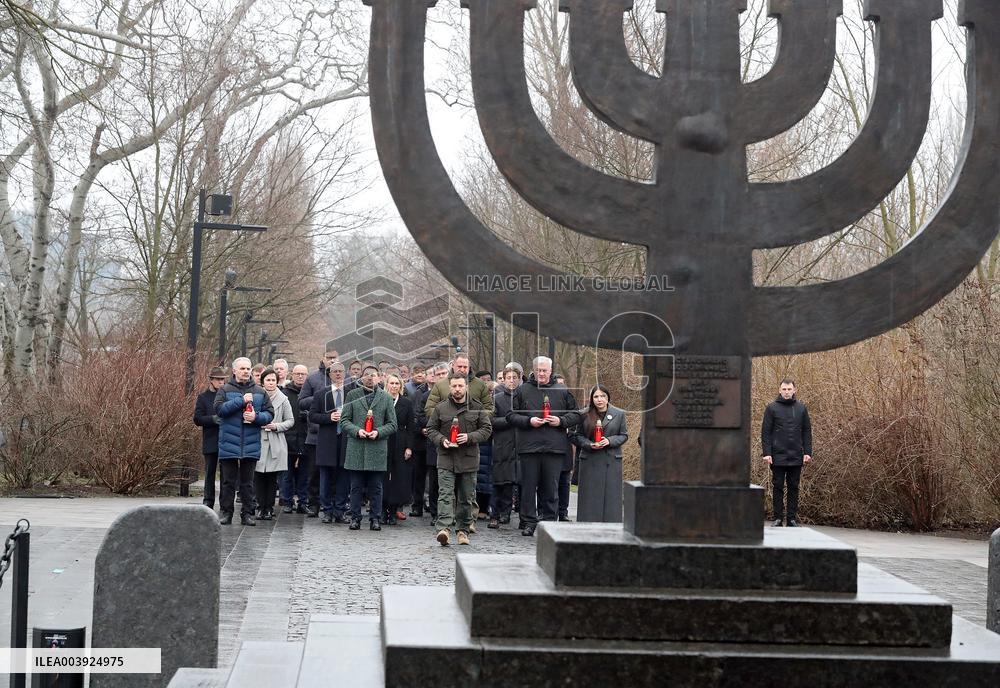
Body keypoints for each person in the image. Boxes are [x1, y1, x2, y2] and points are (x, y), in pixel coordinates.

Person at [507, 356, 581, 536]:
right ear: (533, 370)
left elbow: (577, 415)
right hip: (529, 447)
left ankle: (549, 522)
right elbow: (510, 415)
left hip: (554, 448)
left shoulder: (562, 391)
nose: (541, 373)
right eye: (538, 370)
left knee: (551, 488)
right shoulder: (522, 390)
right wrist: (529, 420)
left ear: (550, 370)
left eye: (544, 370)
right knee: (528, 487)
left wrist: (561, 421)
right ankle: (529, 522)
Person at [426, 373, 492, 546]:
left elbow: (486, 429)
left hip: (468, 459)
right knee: (445, 495)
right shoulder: (441, 408)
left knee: (466, 497)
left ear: (466, 387)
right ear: (450, 387)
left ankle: (463, 531)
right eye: (454, 386)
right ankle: (444, 529)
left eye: (460, 386)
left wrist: (469, 437)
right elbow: (431, 429)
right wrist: (442, 440)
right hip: (446, 457)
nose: (456, 389)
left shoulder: (477, 407)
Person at [215, 357, 274, 526]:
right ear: (234, 371)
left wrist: (256, 417)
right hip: (229, 443)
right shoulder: (224, 390)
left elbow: (269, 414)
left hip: (250, 443)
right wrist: (240, 401)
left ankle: (248, 513)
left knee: (248, 483)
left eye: (248, 369)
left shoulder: (260, 391)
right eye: (242, 369)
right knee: (228, 482)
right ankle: (226, 512)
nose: (246, 371)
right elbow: (219, 410)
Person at [341, 365, 397, 530]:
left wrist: (378, 432)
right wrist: (357, 431)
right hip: (356, 447)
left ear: (379, 378)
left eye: (373, 375)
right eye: (366, 375)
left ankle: (375, 519)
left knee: (376, 487)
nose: (370, 378)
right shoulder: (352, 395)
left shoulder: (386, 397)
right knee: (356, 487)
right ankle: (355, 518)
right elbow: (344, 421)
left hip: (377, 448)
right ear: (361, 378)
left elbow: (393, 424)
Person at [570, 385, 628, 522]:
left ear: (608, 398)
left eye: (603, 396)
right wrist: (588, 444)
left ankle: (612, 526)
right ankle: (587, 526)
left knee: (611, 498)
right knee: (590, 499)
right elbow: (575, 436)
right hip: (590, 460)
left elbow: (624, 435)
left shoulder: (619, 414)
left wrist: (609, 440)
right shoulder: (584, 414)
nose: (599, 399)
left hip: (611, 461)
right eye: (596, 396)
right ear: (591, 398)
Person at [762, 378, 813, 527]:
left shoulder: (801, 408)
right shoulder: (771, 408)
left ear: (794, 390)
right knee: (777, 485)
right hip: (777, 454)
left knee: (794, 486)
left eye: (789, 389)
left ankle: (791, 519)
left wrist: (807, 452)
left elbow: (806, 431)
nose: (787, 392)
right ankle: (777, 518)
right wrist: (767, 452)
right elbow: (766, 432)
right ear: (779, 390)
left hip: (796, 454)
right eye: (784, 389)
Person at [309, 361, 353, 523]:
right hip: (327, 441)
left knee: (344, 477)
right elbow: (312, 416)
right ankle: (327, 510)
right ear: (330, 374)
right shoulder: (321, 394)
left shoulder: (352, 393)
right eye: (335, 371)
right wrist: (329, 417)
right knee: (326, 478)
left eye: (341, 371)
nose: (338, 374)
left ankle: (340, 510)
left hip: (346, 440)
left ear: (345, 373)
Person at [299, 347, 339, 517]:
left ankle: (335, 506)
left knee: (336, 472)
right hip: (316, 433)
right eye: (329, 357)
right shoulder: (313, 378)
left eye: (334, 357)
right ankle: (314, 504)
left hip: (338, 434)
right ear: (323, 358)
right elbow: (301, 402)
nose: (331, 360)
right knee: (314, 473)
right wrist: (321, 398)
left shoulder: (343, 378)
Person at [255, 367, 294, 520]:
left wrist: (276, 426)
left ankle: (269, 508)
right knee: (258, 476)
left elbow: (290, 420)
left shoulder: (283, 399)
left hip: (276, 441)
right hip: (258, 439)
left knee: (272, 478)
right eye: (268, 380)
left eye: (273, 380)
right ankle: (259, 506)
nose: (271, 383)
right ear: (262, 382)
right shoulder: (256, 397)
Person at [488, 367, 519, 529]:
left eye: (514, 377)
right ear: (504, 379)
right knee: (498, 482)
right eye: (508, 377)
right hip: (501, 444)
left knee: (511, 482)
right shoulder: (497, 398)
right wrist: (510, 420)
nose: (511, 380)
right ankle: (494, 513)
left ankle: (506, 513)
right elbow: (491, 420)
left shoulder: (523, 397)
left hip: (519, 444)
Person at [193, 366, 227, 510]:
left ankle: (225, 502)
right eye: (218, 379)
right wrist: (213, 419)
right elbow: (197, 419)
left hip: (226, 439)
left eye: (223, 379)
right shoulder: (203, 397)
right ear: (211, 380)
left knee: (226, 474)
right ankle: (208, 501)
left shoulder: (227, 396)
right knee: (209, 473)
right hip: (211, 439)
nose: (221, 382)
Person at [382, 374, 414, 525]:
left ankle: (393, 510)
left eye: (397, 384)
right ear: (386, 384)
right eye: (391, 383)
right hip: (382, 441)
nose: (394, 386)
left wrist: (409, 447)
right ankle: (381, 510)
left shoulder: (406, 403)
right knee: (381, 477)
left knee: (397, 477)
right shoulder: (380, 400)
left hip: (400, 443)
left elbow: (411, 427)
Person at [280, 364, 309, 513]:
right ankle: (287, 501)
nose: (300, 376)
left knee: (305, 474)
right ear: (292, 375)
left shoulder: (311, 393)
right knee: (287, 473)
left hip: (305, 438)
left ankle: (303, 502)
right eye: (297, 373)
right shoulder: (284, 393)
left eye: (303, 374)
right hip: (288, 438)